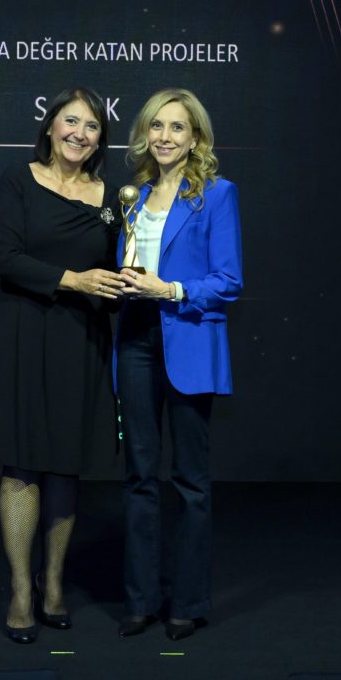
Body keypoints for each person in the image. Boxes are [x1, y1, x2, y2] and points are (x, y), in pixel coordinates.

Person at [0, 87, 124, 643]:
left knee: (65, 466)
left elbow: (118, 267)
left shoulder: (112, 197)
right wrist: (74, 280)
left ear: (100, 139)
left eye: (92, 126)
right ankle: (21, 588)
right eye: (71, 121)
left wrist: (125, 286)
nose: (79, 133)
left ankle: (54, 582)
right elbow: (6, 258)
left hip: (80, 339)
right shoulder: (19, 180)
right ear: (50, 126)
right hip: (22, 332)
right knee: (22, 466)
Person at [115, 88, 243, 641]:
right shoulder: (134, 196)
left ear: (195, 139)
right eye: (156, 126)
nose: (164, 137)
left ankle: (187, 602)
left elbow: (228, 281)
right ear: (145, 134)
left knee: (190, 481)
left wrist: (170, 289)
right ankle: (140, 600)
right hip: (135, 339)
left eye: (177, 128)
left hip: (187, 338)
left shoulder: (217, 195)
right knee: (139, 476)